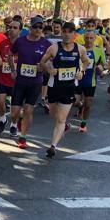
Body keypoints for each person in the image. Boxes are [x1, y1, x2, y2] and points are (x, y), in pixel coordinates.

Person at [40, 22, 88, 158]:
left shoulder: (80, 49)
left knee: (60, 118)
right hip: (54, 86)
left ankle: (53, 146)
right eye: (64, 32)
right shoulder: (54, 48)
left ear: (74, 34)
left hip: (69, 87)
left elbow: (86, 62)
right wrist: (49, 69)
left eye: (70, 32)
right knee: (53, 114)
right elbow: (42, 62)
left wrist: (82, 72)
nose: (67, 35)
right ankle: (66, 126)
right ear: (62, 33)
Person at [8, 16, 50, 149]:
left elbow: (51, 60)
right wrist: (13, 70)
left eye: (40, 27)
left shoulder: (46, 44)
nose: (38, 29)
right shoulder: (20, 41)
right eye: (35, 27)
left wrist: (43, 66)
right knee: (15, 112)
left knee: (28, 110)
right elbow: (10, 55)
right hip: (20, 81)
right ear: (30, 28)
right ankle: (16, 121)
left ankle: (23, 137)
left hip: (36, 81)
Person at [75, 27, 106, 131]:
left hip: (90, 81)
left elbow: (104, 64)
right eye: (87, 38)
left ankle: (83, 124)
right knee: (75, 102)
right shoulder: (79, 48)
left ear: (95, 38)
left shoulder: (99, 50)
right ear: (84, 38)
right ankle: (80, 107)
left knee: (88, 105)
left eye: (91, 38)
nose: (88, 40)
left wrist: (102, 68)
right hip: (78, 80)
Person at [0, 19, 18, 130]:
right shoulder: (3, 44)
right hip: (2, 78)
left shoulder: (22, 44)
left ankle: (14, 124)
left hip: (17, 81)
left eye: (15, 28)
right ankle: (3, 118)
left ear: (20, 31)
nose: (11, 30)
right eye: (10, 27)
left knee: (15, 109)